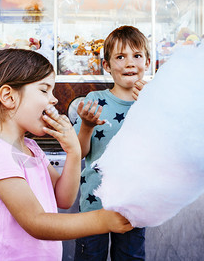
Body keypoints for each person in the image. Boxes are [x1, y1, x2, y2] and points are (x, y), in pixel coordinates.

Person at [0, 49, 133, 260]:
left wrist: (74, 151)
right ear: (8, 96)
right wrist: (103, 221)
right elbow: (36, 222)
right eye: (44, 90)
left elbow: (63, 198)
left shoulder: (30, 147)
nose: (54, 100)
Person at [73, 26, 150, 260]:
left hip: (134, 204)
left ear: (147, 61)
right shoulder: (94, 101)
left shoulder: (155, 101)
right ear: (106, 65)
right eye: (120, 57)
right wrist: (86, 125)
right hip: (93, 203)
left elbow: (166, 149)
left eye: (136, 56)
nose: (129, 63)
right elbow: (79, 152)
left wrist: (153, 107)